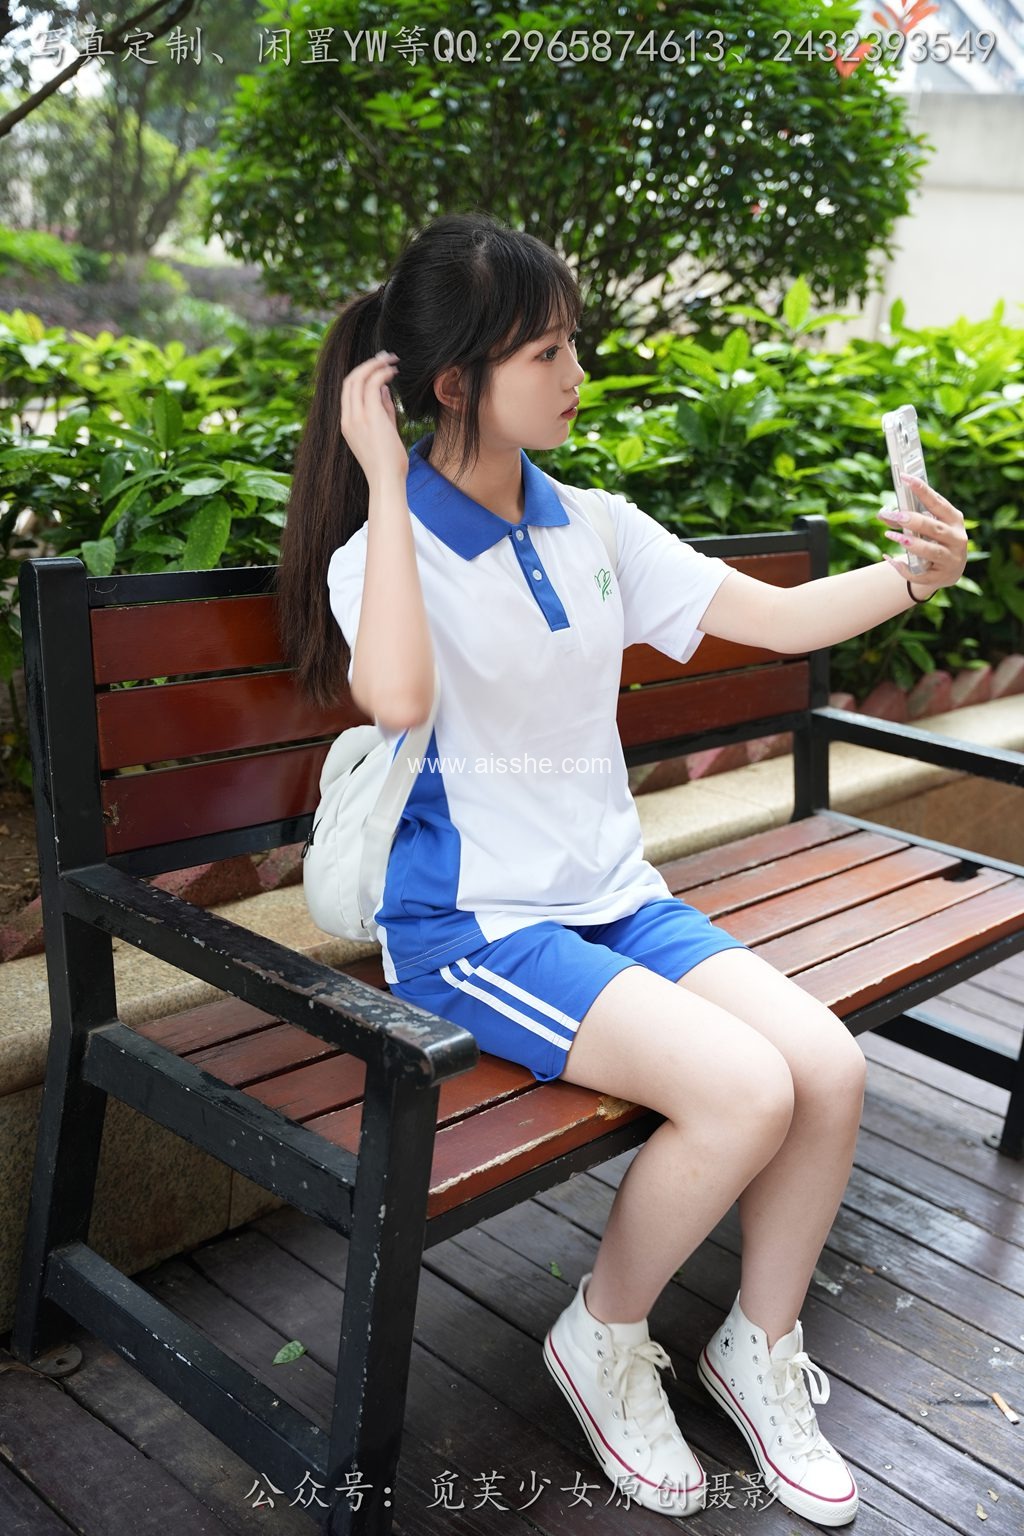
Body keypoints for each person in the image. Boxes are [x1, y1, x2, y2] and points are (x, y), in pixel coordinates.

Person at [276, 211, 968, 1528]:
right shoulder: (382, 553)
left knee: (827, 1070)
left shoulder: (589, 522)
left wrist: (913, 578)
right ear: (454, 384)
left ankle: (757, 1347)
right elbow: (399, 697)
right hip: (478, 931)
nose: (578, 373)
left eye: (572, 343)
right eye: (547, 352)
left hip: (615, 901)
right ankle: (603, 1332)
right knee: (743, 1093)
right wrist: (383, 481)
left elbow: (773, 621)